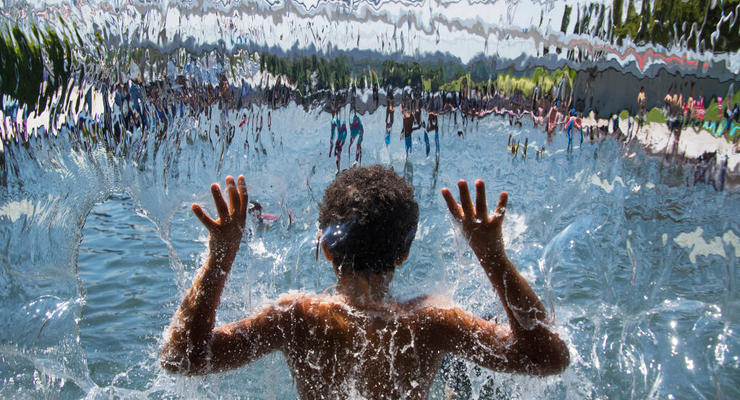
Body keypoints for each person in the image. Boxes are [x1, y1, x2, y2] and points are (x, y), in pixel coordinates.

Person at [161, 167, 569, 399]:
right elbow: (549, 356)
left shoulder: (296, 317)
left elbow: (181, 358)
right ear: (403, 254)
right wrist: (493, 257)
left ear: (326, 247)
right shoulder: (432, 322)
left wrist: (219, 259)